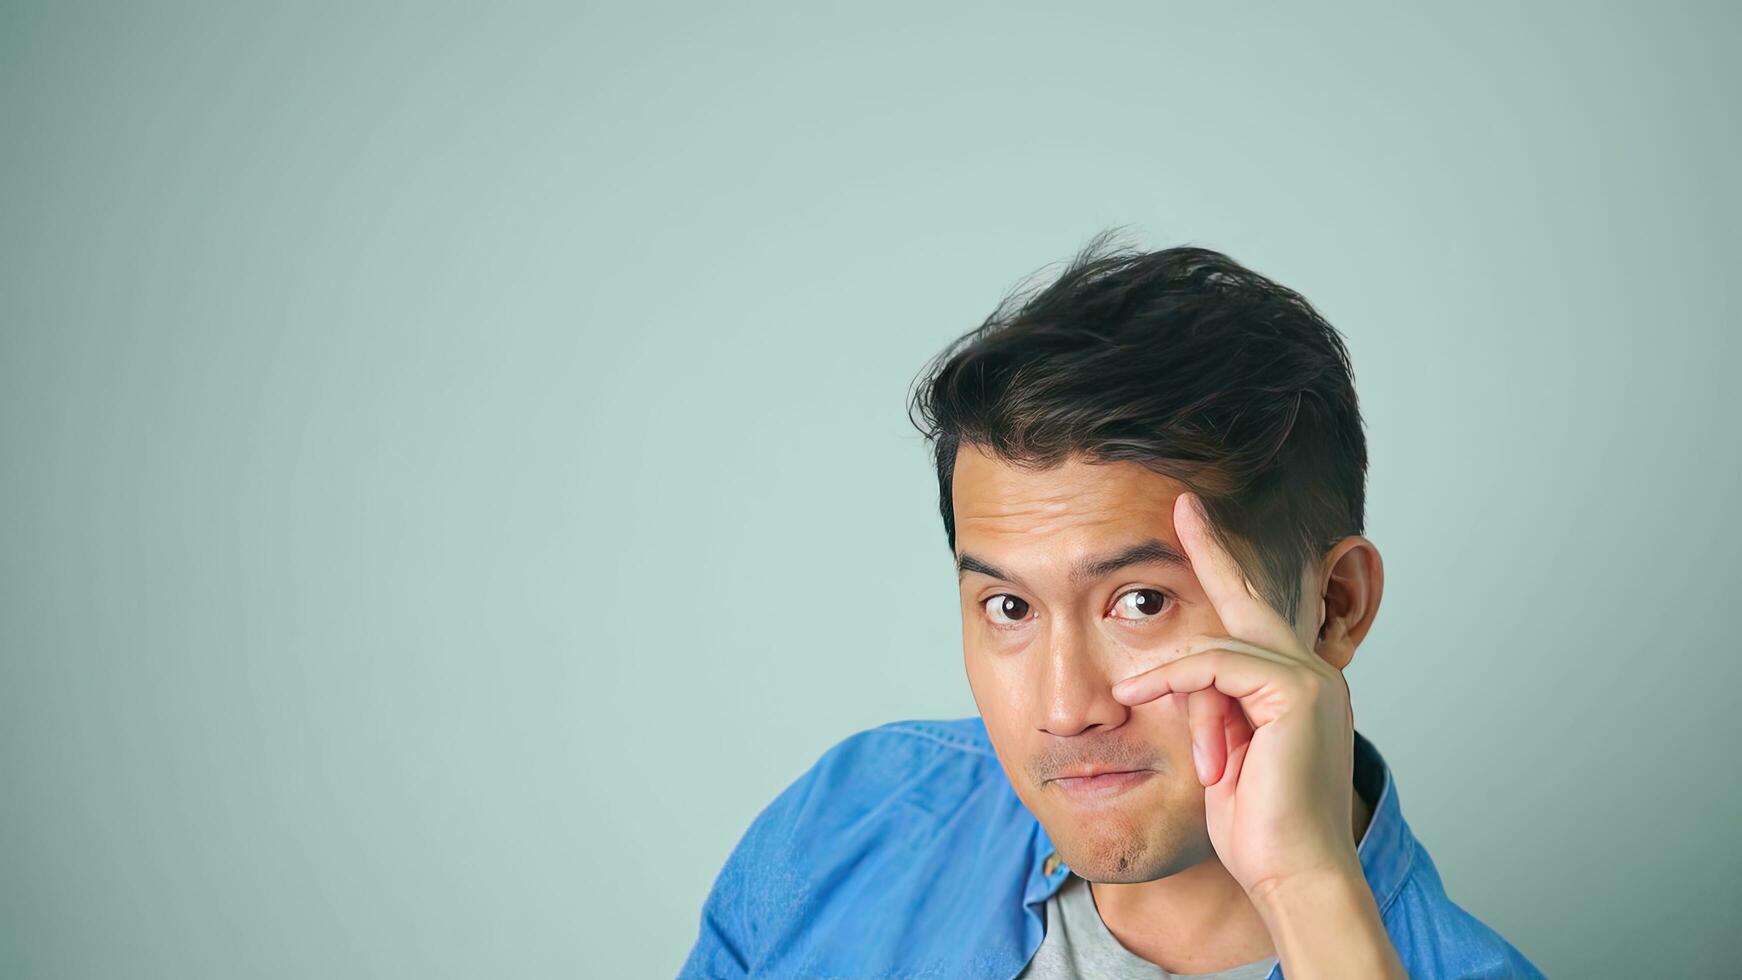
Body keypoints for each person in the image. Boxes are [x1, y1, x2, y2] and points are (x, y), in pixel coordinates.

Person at [679, 231, 1545, 979]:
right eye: (1010, 608)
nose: (1065, 709)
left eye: (1140, 601)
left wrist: (1308, 892)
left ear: (1336, 608)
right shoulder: (844, 824)